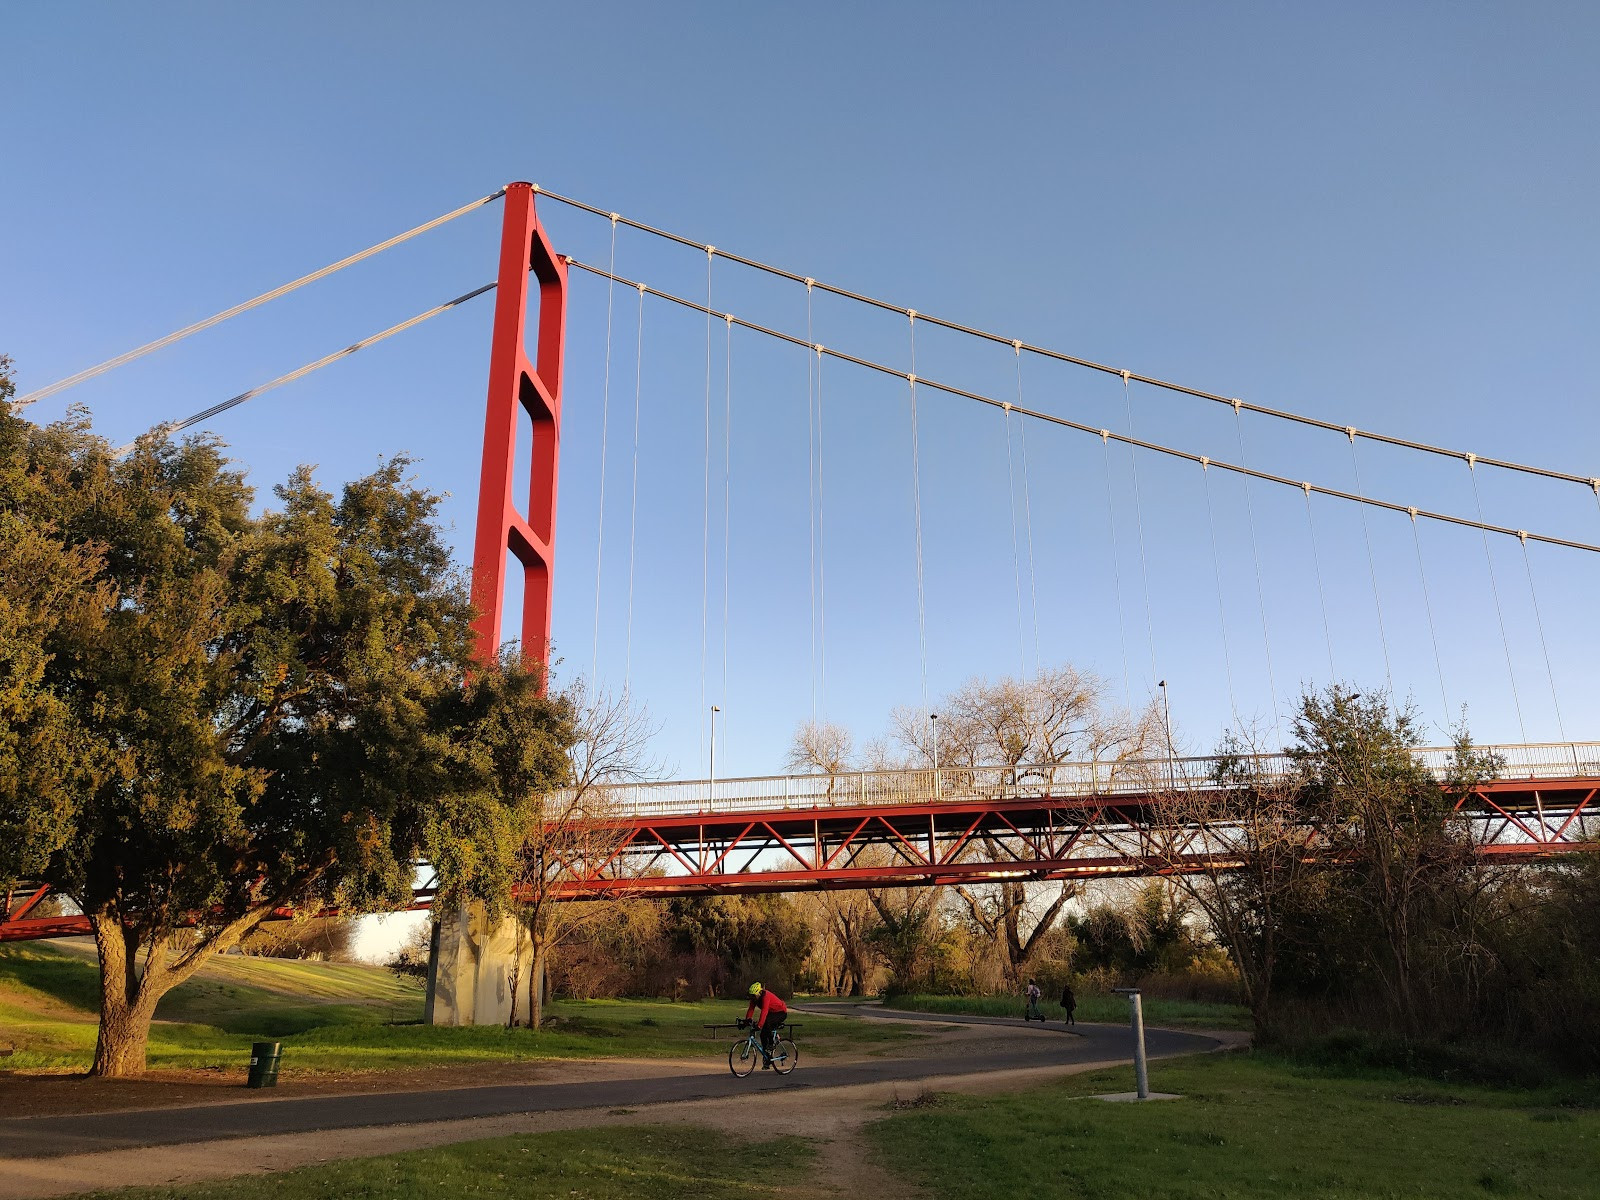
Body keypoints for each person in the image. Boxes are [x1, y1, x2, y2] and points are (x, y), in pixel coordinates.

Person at [743, 981, 789, 1068]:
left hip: (781, 1012)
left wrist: (759, 1025)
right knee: (763, 1035)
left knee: (766, 1023)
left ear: (759, 993)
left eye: (753, 995)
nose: (752, 997)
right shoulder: (754, 999)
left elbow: (764, 1012)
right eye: (751, 996)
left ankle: (771, 1044)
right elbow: (750, 1009)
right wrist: (746, 1021)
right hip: (772, 1013)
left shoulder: (766, 996)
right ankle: (767, 1057)